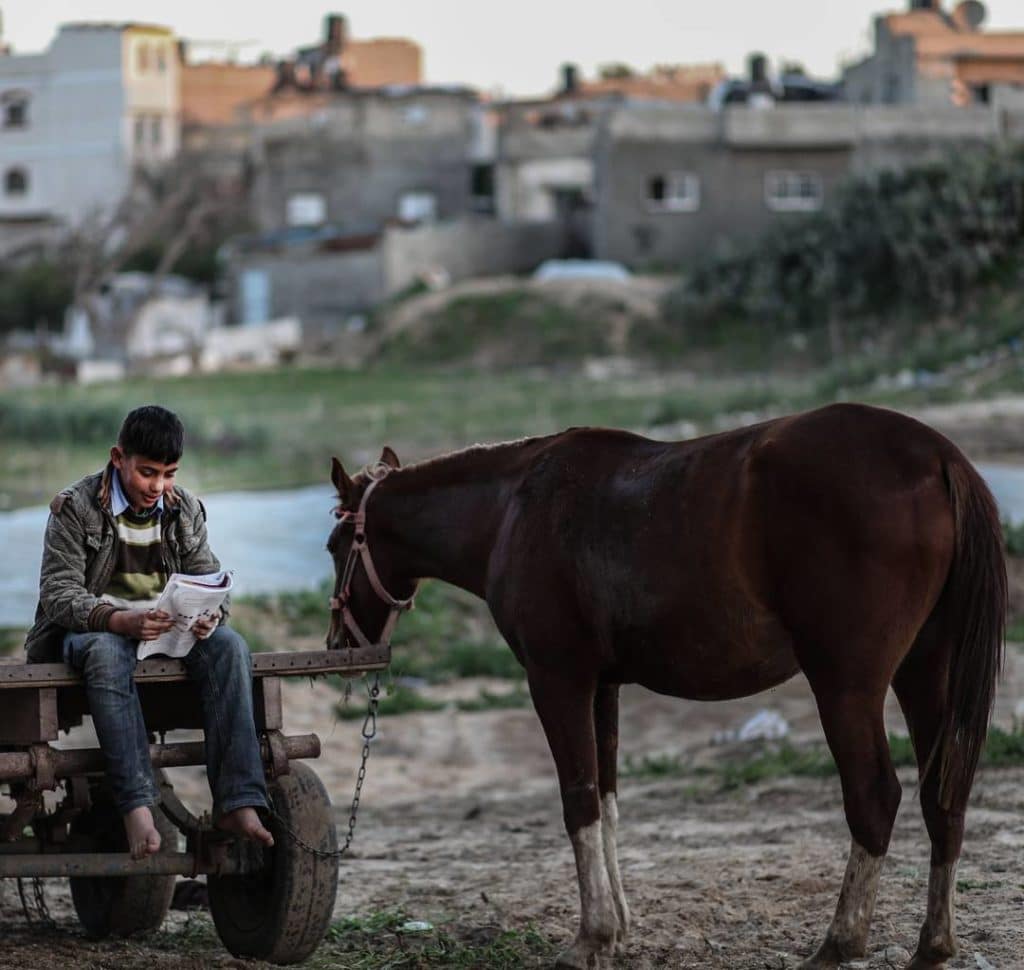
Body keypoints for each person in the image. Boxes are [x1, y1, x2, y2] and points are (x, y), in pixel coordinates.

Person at [24, 405, 274, 859]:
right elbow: (59, 593)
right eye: (147, 472)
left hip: (166, 631)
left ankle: (237, 801)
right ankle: (137, 806)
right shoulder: (75, 507)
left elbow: (210, 577)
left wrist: (210, 614)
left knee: (229, 646)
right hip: (94, 631)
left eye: (169, 474)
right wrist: (119, 619)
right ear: (118, 458)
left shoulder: (183, 509)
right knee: (105, 651)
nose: (158, 486)